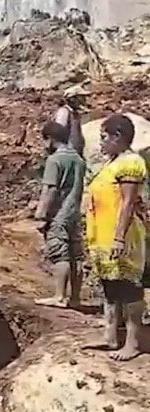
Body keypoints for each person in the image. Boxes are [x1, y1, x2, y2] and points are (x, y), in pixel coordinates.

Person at [83, 114, 147, 361]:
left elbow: (128, 202)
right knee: (110, 286)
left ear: (118, 136)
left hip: (123, 235)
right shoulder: (113, 163)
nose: (101, 143)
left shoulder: (130, 162)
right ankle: (109, 335)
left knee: (128, 287)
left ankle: (133, 342)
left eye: (104, 137)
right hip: (104, 235)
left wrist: (119, 237)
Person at [34, 121, 87, 308]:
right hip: (75, 212)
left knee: (60, 253)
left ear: (50, 139)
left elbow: (50, 189)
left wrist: (41, 215)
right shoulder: (79, 159)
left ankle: (59, 296)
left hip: (59, 213)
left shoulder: (54, 160)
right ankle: (75, 298)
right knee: (76, 255)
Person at [54, 85, 88, 155]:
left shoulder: (74, 113)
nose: (84, 99)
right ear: (72, 99)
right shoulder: (64, 112)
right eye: (81, 97)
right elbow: (59, 131)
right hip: (67, 153)